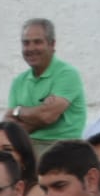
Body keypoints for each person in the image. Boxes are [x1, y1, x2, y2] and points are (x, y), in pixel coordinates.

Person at [6, 17, 87, 149]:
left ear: (52, 44)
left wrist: (18, 110)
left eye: (37, 42)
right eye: (26, 43)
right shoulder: (18, 81)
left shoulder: (67, 74)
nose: (31, 48)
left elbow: (47, 116)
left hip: (63, 148)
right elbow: (9, 125)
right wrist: (39, 113)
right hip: (27, 148)